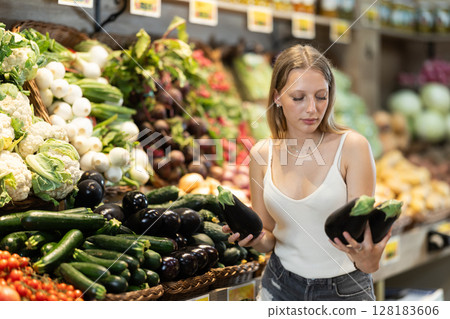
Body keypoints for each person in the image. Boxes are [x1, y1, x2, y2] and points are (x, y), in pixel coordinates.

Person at [223, 44, 391, 301]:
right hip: (279, 287)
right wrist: (252, 238)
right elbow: (269, 238)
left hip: (343, 292)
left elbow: (364, 253)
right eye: (298, 98)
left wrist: (369, 258)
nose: (312, 109)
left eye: (321, 96)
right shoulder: (261, 154)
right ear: (278, 97)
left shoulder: (352, 148)